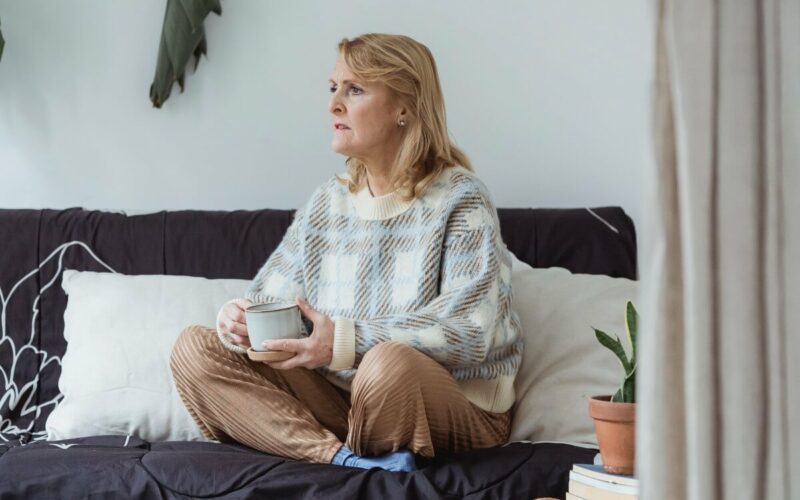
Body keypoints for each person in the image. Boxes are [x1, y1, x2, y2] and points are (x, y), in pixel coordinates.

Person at [170, 33, 523, 473]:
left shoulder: (461, 199)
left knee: (386, 364)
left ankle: (336, 453)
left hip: (450, 404)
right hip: (344, 405)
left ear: (405, 107)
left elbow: (470, 332)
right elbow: (269, 300)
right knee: (193, 348)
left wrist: (342, 341)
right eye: (333, 88)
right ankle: (344, 459)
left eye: (354, 89)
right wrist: (238, 321)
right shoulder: (327, 202)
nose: (334, 104)